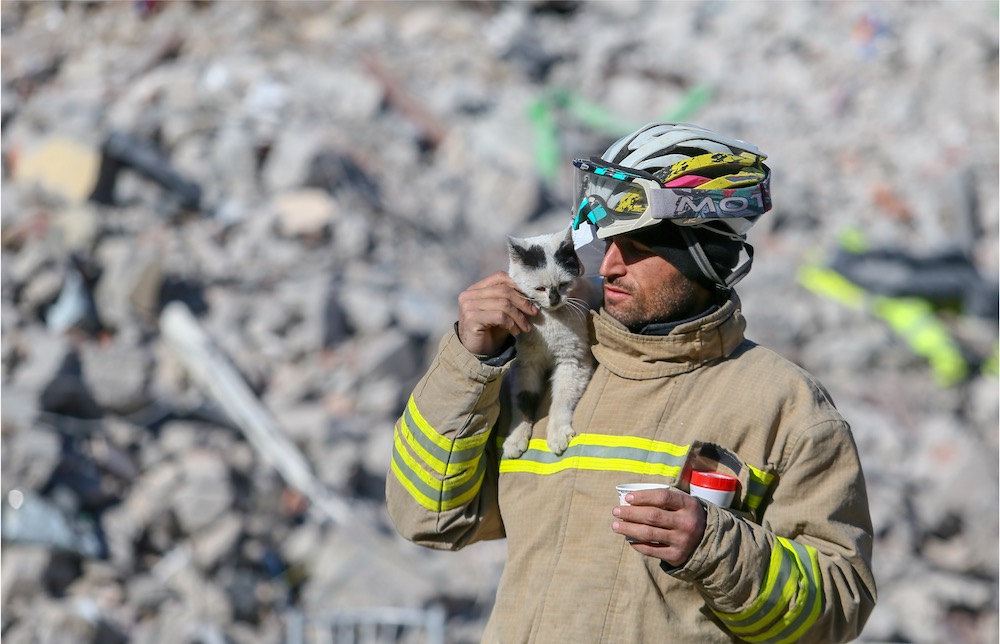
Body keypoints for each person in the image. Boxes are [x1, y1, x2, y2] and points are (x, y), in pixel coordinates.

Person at [386, 122, 876, 642]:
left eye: (638, 246)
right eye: (608, 242)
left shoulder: (783, 407)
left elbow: (838, 607)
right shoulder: (544, 366)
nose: (609, 265)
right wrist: (470, 358)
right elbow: (429, 516)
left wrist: (712, 547)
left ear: (704, 256)